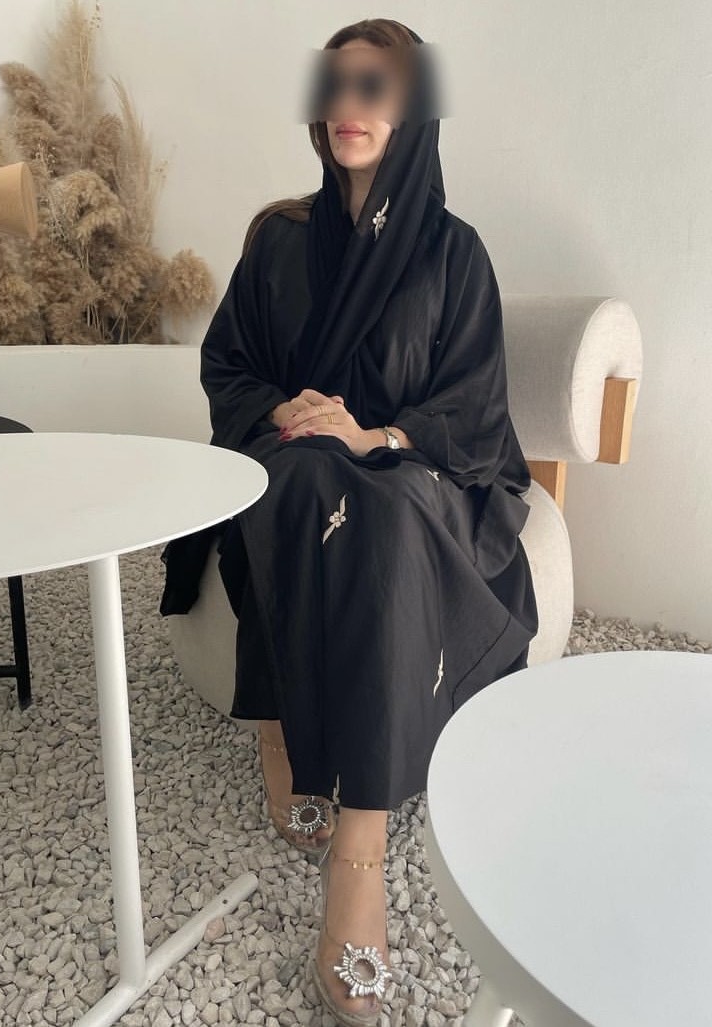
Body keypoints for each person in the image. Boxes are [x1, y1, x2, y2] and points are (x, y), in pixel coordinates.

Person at [159, 17, 538, 1025]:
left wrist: (378, 435)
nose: (349, 106)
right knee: (302, 480)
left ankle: (359, 848)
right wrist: (287, 409)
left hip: (411, 478)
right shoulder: (280, 242)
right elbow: (229, 364)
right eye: (336, 85)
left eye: (377, 87)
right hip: (296, 468)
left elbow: (476, 407)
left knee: (385, 507)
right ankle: (279, 728)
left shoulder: (455, 255)